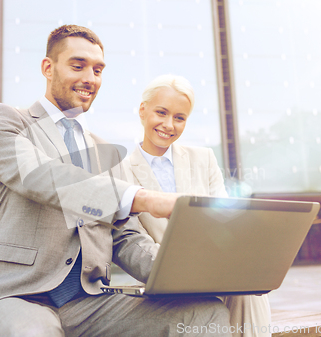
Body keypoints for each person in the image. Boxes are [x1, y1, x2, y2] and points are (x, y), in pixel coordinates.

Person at [0, 25, 232, 337]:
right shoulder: (6, 122)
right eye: (78, 66)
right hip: (16, 295)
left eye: (98, 70)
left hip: (89, 303)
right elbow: (43, 176)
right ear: (48, 68)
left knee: (204, 313)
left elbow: (124, 236)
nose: (90, 78)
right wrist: (144, 197)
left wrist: (196, 269)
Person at [123, 74, 272, 337]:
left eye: (179, 118)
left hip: (215, 267)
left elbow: (227, 220)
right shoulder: (120, 171)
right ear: (143, 110)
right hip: (162, 279)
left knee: (248, 289)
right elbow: (131, 239)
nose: (169, 125)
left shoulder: (203, 158)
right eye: (161, 112)